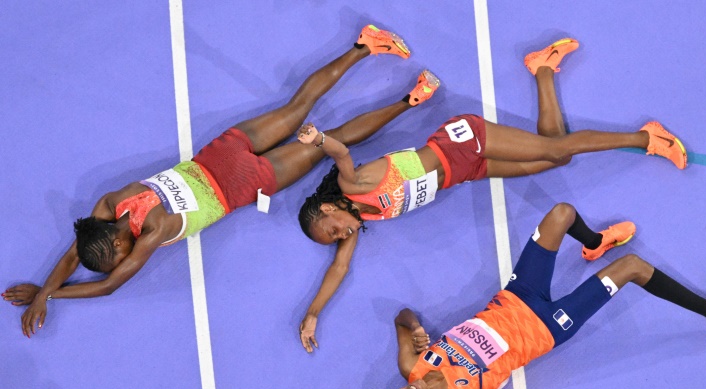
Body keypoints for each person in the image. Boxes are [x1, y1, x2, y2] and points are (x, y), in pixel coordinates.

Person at [3, 25, 439, 337]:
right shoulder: (110, 203)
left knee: (334, 140)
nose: (124, 259)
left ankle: (409, 100)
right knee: (298, 105)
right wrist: (45, 290)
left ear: (119, 245)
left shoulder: (153, 232)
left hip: (245, 182)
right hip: (222, 152)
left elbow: (108, 285)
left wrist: (49, 295)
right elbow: (77, 252)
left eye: (119, 256)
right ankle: (364, 45)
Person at [293, 37, 689, 353]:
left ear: (328, 208)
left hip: (459, 142)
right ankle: (543, 68)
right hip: (467, 171)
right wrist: (312, 314)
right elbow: (338, 269)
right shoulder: (360, 221)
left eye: (332, 230)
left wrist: (319, 139)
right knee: (556, 156)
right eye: (336, 239)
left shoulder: (351, 185)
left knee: (555, 150)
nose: (341, 236)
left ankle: (646, 137)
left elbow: (342, 152)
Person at [382, 202, 706, 389]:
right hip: (547, 327)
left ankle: (594, 242)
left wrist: (413, 324)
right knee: (633, 266)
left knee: (561, 213)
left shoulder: (411, 364)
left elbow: (401, 315)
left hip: (515, 296)